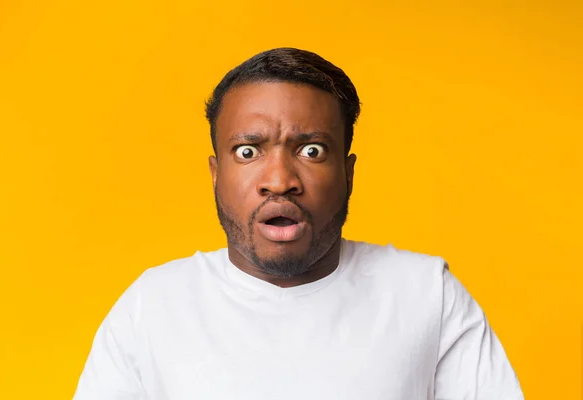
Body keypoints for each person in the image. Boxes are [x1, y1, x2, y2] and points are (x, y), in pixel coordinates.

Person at [74, 48, 524, 399]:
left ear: (348, 173)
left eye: (311, 150)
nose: (279, 181)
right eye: (248, 151)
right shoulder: (152, 308)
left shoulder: (429, 295)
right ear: (216, 174)